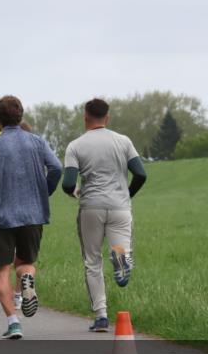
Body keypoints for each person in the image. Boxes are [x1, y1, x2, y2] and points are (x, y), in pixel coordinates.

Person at [61, 98, 147, 332]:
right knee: (119, 248)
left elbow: (68, 183)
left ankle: (100, 316)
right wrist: (127, 194)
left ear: (85, 117)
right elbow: (140, 173)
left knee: (92, 261)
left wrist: (75, 191)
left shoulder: (75, 146)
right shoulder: (123, 141)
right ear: (107, 117)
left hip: (91, 207)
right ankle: (121, 263)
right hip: (120, 206)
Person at [0, 96, 62, 339]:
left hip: (3, 216)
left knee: (2, 271)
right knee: (26, 263)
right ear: (21, 115)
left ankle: (13, 321)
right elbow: (57, 167)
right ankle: (26, 279)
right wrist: (43, 192)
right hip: (33, 213)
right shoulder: (37, 142)